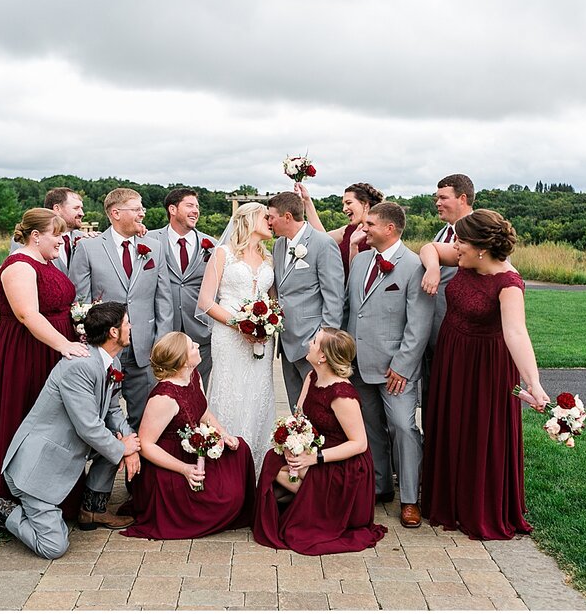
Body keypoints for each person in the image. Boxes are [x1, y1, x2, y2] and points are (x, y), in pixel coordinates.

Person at [0, 302, 140, 558]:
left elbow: (113, 410)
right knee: (54, 547)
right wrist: (122, 447)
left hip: (69, 452)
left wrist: (129, 445)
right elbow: (89, 427)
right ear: (113, 332)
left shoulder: (109, 360)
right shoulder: (79, 367)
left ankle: (93, 509)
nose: (131, 327)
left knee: (114, 445)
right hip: (37, 470)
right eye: (127, 323)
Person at [418, 209, 549, 540]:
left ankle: (477, 507)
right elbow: (428, 249)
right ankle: (447, 501)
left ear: (480, 247)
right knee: (448, 424)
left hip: (486, 368)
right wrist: (433, 267)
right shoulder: (464, 259)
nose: (454, 245)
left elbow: (517, 334)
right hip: (452, 356)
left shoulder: (509, 283)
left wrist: (533, 384)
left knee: (479, 431)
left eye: (460, 240)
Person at [0, 208, 90, 529]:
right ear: (36, 236)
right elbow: (27, 315)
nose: (62, 241)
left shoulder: (47, 262)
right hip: (27, 352)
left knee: (54, 424)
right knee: (24, 416)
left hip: (53, 349)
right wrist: (64, 345)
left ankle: (50, 493)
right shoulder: (18, 266)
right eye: (56, 235)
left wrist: (78, 327)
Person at [253, 328, 387, 555]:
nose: (309, 344)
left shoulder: (342, 394)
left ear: (323, 356)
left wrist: (314, 458)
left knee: (285, 473)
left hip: (345, 465)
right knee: (273, 462)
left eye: (314, 342)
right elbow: (299, 417)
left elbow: (359, 444)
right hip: (317, 449)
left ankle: (327, 509)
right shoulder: (312, 376)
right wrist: (292, 442)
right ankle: (311, 501)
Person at [345, 202, 435, 528]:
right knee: (370, 430)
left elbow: (419, 324)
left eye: (370, 223)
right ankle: (380, 486)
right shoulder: (359, 262)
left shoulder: (413, 266)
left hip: (395, 370)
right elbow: (350, 311)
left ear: (389, 229)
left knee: (403, 428)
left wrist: (402, 365)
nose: (363, 228)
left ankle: (410, 499)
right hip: (358, 365)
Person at [121, 332, 255, 540]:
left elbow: (203, 413)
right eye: (192, 346)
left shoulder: (194, 376)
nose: (197, 345)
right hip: (168, 464)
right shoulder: (164, 397)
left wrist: (223, 434)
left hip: (193, 448)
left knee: (240, 449)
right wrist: (184, 469)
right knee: (223, 501)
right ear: (183, 361)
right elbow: (146, 445)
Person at [69, 187, 173, 433]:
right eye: (137, 209)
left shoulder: (154, 247)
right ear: (115, 213)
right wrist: (90, 341)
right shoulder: (88, 248)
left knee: (144, 417)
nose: (142, 214)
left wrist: (160, 342)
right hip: (104, 348)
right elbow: (80, 301)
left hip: (144, 349)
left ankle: (138, 471)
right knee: (102, 416)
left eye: (142, 209)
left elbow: (164, 299)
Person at [196, 202, 276, 472]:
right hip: (229, 338)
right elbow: (205, 301)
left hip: (261, 339)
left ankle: (255, 467)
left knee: (258, 396)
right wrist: (240, 325)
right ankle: (225, 466)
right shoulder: (223, 254)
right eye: (266, 216)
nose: (271, 220)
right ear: (249, 219)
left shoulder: (269, 259)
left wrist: (267, 325)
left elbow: (273, 302)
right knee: (229, 393)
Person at [266, 191, 345, 410]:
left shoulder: (323, 243)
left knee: (319, 407)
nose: (269, 222)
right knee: (296, 407)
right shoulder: (278, 245)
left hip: (313, 341)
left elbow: (334, 296)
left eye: (272, 216)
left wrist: (324, 340)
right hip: (286, 342)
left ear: (287, 217)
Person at [417, 174, 476, 416]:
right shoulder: (443, 234)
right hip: (432, 335)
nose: (437, 203)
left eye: (443, 198)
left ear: (462, 198)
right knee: (432, 403)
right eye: (436, 198)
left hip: (462, 339)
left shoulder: (480, 233)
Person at [149, 188, 217, 384]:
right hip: (162, 330)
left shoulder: (211, 245)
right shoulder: (150, 241)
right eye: (189, 206)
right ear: (172, 209)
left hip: (200, 332)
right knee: (162, 385)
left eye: (197, 206)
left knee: (198, 386)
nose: (195, 211)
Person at [294, 181, 385, 279]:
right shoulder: (348, 230)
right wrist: (307, 201)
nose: (344, 209)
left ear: (365, 204)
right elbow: (321, 237)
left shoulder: (376, 234)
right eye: (344, 204)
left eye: (348, 203)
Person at [9, 187, 98, 276]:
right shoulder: (27, 239)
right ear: (57, 208)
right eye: (76, 208)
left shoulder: (85, 239)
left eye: (81, 208)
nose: (82, 213)